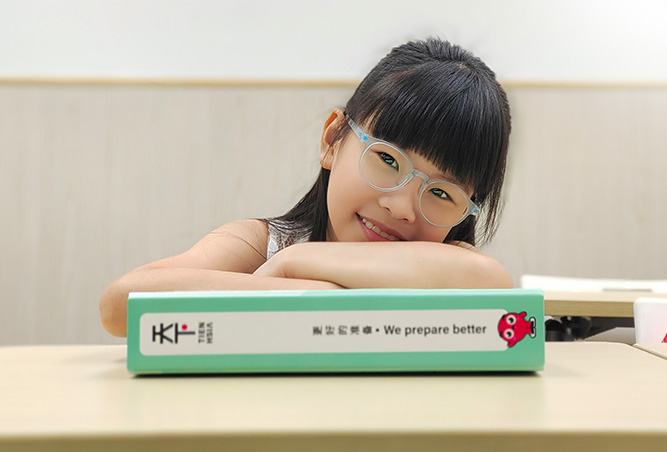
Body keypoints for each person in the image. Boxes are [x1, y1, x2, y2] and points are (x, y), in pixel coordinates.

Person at [100, 37, 513, 337]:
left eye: (442, 193)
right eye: (388, 160)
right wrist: (296, 268)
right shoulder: (266, 244)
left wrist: (298, 263)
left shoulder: (448, 268)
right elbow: (122, 305)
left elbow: (489, 280)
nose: (403, 206)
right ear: (333, 140)